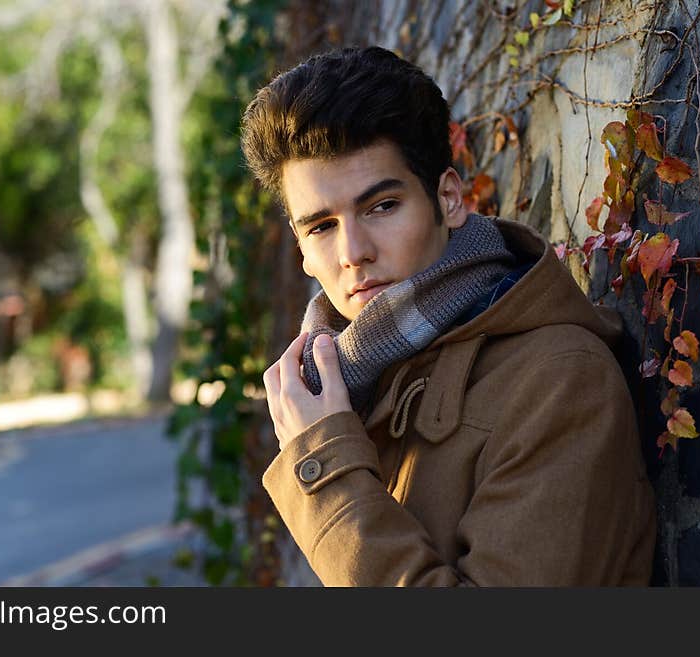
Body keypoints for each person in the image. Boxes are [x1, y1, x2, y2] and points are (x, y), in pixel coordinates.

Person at [240, 46, 656, 586]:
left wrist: (329, 473)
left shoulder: (560, 379)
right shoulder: (341, 383)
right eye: (321, 226)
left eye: (382, 206)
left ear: (449, 198)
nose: (353, 251)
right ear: (300, 247)